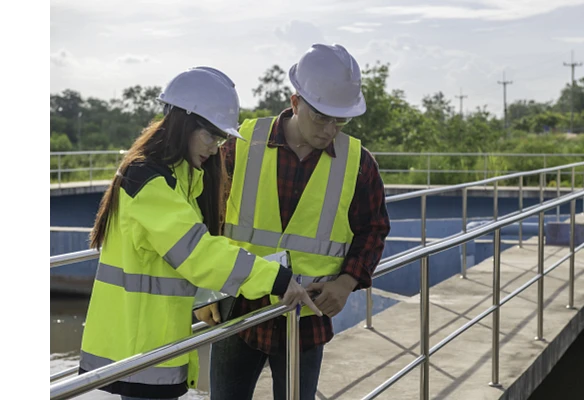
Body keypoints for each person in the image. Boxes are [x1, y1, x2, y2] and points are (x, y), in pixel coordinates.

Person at [78, 66, 321, 400]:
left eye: (220, 138)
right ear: (184, 122)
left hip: (156, 342)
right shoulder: (147, 181)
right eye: (211, 135)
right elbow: (197, 252)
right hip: (138, 347)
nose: (215, 147)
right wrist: (277, 279)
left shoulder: (180, 177)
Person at [194, 44, 391, 400]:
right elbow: (206, 219)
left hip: (306, 316)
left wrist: (347, 282)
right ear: (296, 102)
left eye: (340, 120)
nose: (330, 129)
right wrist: (203, 293)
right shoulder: (241, 145)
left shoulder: (358, 163)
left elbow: (373, 230)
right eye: (321, 117)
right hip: (238, 307)